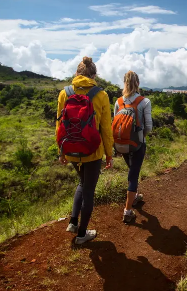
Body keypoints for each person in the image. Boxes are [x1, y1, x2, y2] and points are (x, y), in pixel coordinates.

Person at [57, 57, 114, 244]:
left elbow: (59, 125)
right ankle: (82, 234)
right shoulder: (101, 95)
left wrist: (61, 152)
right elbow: (106, 129)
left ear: (77, 73)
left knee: (82, 183)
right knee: (89, 190)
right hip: (92, 151)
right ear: (94, 76)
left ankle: (73, 222)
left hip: (71, 149)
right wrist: (109, 155)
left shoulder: (64, 93)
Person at [114, 71, 152, 223]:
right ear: (138, 83)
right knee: (134, 175)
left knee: (131, 170)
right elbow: (149, 127)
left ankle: (135, 195)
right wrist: (140, 137)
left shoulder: (118, 102)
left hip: (121, 144)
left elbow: (115, 124)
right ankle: (128, 210)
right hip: (137, 144)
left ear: (124, 83)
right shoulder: (144, 102)